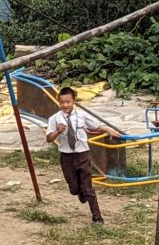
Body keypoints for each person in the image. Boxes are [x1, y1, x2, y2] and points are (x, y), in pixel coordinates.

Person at [46, 86, 122, 224]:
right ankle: (79, 192)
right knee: (74, 188)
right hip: (66, 156)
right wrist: (58, 131)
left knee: (88, 187)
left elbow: (96, 125)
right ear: (58, 103)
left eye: (68, 102)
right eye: (62, 102)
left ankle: (97, 217)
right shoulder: (54, 119)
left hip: (82, 154)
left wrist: (109, 130)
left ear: (73, 100)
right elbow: (49, 138)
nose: (65, 105)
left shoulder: (81, 115)